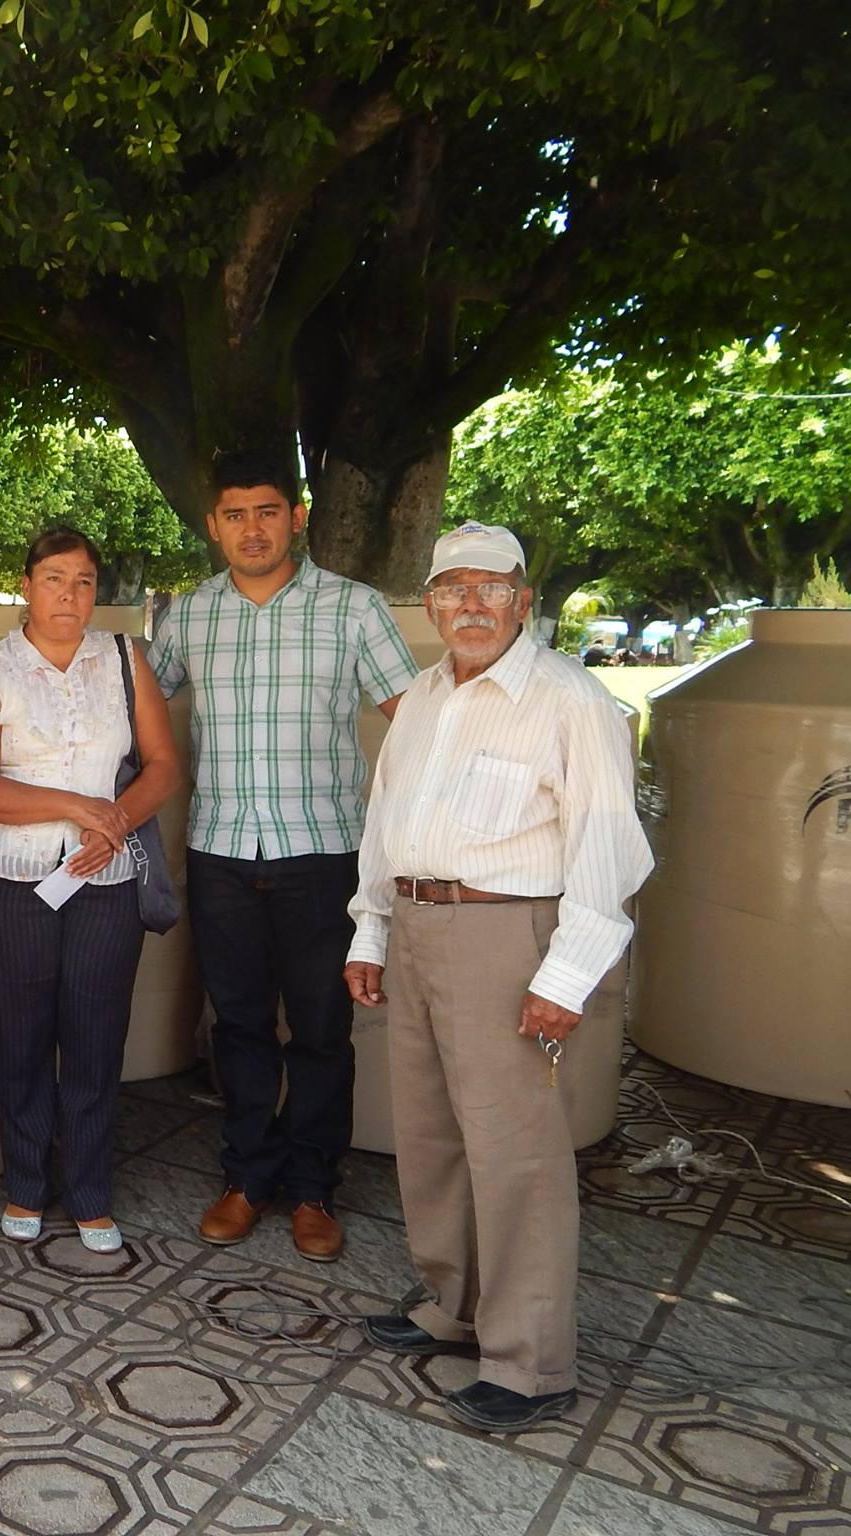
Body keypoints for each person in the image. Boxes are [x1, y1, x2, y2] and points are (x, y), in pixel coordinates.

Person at [344, 522, 651, 1433]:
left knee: (515, 1154)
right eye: (452, 590)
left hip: (510, 937)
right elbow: (384, 821)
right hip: (420, 929)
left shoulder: (570, 700)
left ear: (524, 599)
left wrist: (567, 975)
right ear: (430, 604)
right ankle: (453, 1305)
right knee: (433, 1136)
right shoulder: (425, 697)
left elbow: (610, 849)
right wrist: (370, 931)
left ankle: (531, 1361)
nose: (469, 605)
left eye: (491, 588)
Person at [148, 450, 416, 1262]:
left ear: (295, 517)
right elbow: (134, 705)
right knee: (236, 1025)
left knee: (323, 1028)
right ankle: (247, 1177)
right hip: (222, 851)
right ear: (214, 527)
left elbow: (415, 718)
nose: (251, 528)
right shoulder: (190, 615)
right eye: (235, 515)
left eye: (266, 511)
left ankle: (313, 1188)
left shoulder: (354, 608)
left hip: (323, 851)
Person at [0, 527, 181, 1254]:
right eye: (55, 579)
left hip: (106, 875)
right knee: (21, 1035)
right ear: (26, 584)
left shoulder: (123, 659)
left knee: (94, 1034)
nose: (70, 595)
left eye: (84, 581)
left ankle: (89, 1190)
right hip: (16, 877)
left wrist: (113, 820)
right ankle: (26, 1182)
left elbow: (160, 766)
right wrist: (73, 806)